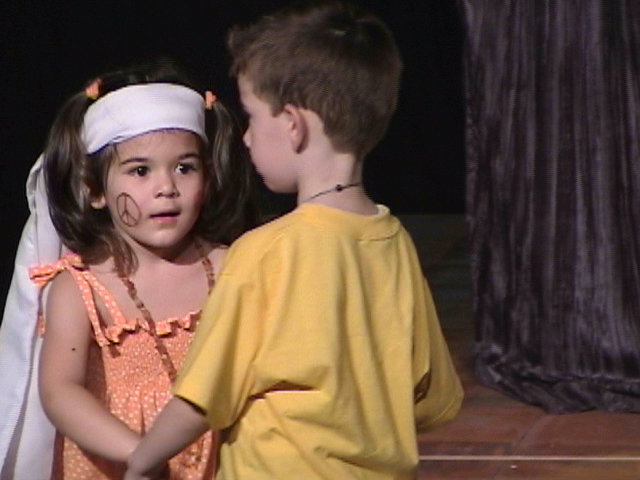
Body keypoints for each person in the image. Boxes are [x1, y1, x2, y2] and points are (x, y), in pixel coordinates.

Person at [125, 3, 463, 480]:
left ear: (292, 124)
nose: (245, 138)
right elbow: (433, 398)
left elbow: (203, 395)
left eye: (251, 117)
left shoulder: (264, 252)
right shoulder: (396, 244)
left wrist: (141, 463)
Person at [0, 59, 256, 480]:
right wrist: (140, 454)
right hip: (115, 464)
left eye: (185, 167)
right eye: (140, 170)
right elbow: (60, 391)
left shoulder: (232, 266)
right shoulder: (81, 287)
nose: (166, 187)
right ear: (95, 189)